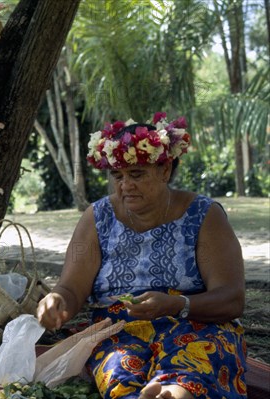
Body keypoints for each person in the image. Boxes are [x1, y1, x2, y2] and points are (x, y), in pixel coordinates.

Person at [37, 113, 247, 399]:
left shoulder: (204, 215)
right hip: (119, 329)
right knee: (118, 370)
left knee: (196, 361)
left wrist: (176, 304)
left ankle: (175, 392)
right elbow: (72, 288)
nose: (125, 186)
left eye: (136, 174)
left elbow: (232, 298)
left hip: (196, 322)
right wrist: (57, 301)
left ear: (165, 170)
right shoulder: (96, 218)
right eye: (117, 176)